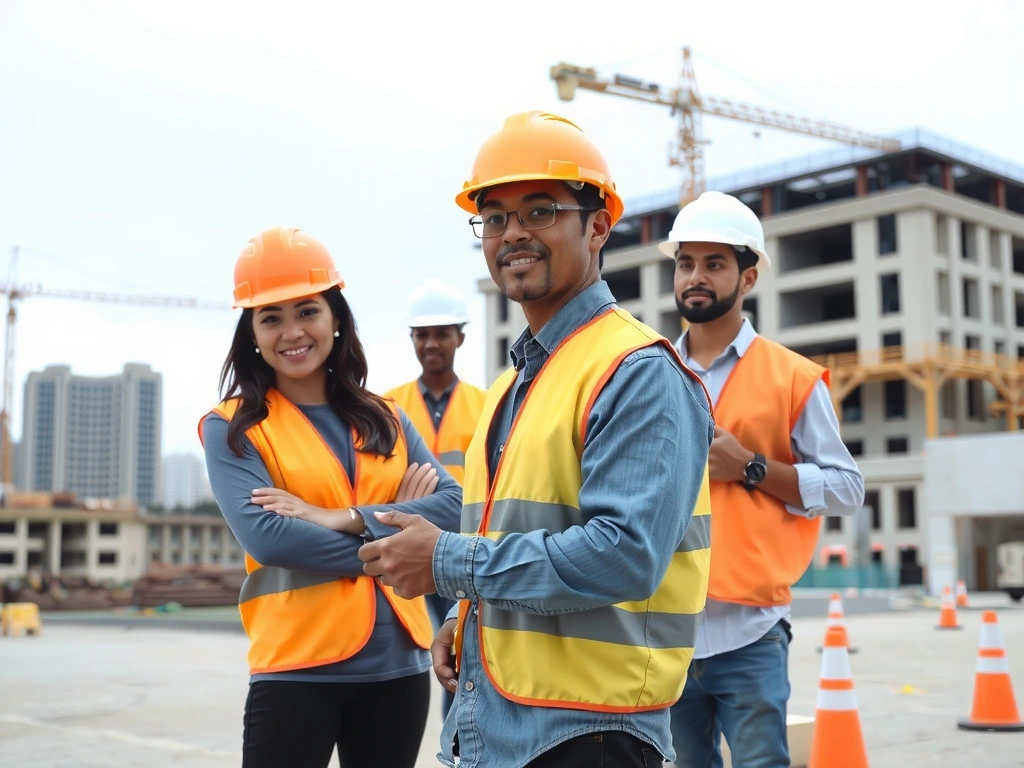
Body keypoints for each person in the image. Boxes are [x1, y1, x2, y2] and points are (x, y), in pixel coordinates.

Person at [355, 111, 716, 768]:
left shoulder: (636, 371)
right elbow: (511, 530)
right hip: (496, 720)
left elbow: (623, 556)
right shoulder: (513, 387)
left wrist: (445, 565)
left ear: (598, 223)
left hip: (591, 734)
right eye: (494, 218)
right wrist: (466, 621)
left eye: (541, 210)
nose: (513, 233)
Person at [200, 226, 462, 768]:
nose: (292, 332)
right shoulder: (233, 429)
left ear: (336, 318)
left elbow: (456, 507)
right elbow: (270, 537)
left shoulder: (386, 417)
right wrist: (403, 546)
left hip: (399, 669)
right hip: (297, 667)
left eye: (307, 311)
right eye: (271, 317)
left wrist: (337, 518)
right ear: (250, 331)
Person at [661, 192, 866, 768]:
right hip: (664, 628)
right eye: (685, 263)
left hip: (750, 633)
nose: (695, 277)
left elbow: (847, 488)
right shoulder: (650, 374)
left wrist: (752, 468)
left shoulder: (792, 378)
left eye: (714, 263)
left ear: (748, 276)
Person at [384, 278, 486, 718]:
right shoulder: (386, 407)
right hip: (404, 546)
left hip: (463, 548)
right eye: (422, 334)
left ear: (460, 336)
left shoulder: (487, 405)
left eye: (442, 333)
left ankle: (459, 744)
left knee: (459, 653)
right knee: (404, 654)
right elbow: (380, 483)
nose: (432, 343)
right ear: (411, 339)